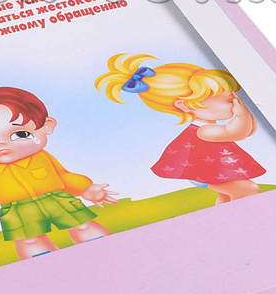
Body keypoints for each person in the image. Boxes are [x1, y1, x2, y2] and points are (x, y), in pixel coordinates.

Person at [0, 85, 117, 259]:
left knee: (83, 226)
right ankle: (48, 270)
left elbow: (63, 176)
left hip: (57, 198)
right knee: (30, 241)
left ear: (46, 127)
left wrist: (86, 188)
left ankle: (107, 254)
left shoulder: (41, 156)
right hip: (16, 210)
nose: (1, 144)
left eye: (20, 134)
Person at [95, 53, 265, 204]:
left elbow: (249, 131)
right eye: (228, 100)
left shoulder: (208, 127)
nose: (234, 101)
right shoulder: (203, 131)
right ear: (185, 105)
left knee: (227, 196)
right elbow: (237, 133)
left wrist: (244, 113)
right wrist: (242, 113)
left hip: (219, 171)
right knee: (249, 190)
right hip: (206, 174)